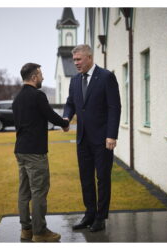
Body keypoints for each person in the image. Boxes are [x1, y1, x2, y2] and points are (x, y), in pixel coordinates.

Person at [63, 44, 121, 232]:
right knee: (85, 178)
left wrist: (112, 135)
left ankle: (100, 218)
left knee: (102, 178)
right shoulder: (74, 81)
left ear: (89, 57)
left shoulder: (106, 77)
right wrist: (66, 117)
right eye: (74, 60)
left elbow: (114, 107)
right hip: (82, 139)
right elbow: (70, 103)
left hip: (103, 139)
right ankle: (89, 214)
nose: (76, 63)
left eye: (79, 59)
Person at [12, 63, 69, 242]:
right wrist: (65, 122)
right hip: (35, 152)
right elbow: (50, 115)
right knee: (39, 191)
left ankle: (25, 230)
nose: (43, 78)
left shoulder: (17, 98)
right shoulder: (38, 95)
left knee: (24, 191)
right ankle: (39, 232)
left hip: (20, 150)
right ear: (34, 76)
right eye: (41, 74)